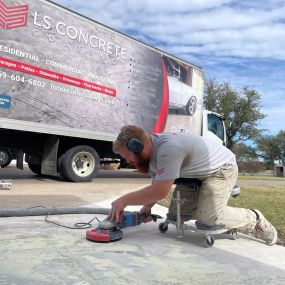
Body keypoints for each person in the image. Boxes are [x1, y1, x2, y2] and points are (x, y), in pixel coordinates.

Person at [108, 125, 278, 246]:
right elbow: (158, 181)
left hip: (221, 169)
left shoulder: (168, 148)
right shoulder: (152, 153)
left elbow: (160, 191)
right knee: (176, 215)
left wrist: (123, 200)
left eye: (127, 156)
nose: (127, 161)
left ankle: (254, 217)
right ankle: (207, 206)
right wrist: (146, 207)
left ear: (137, 146)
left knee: (209, 220)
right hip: (194, 175)